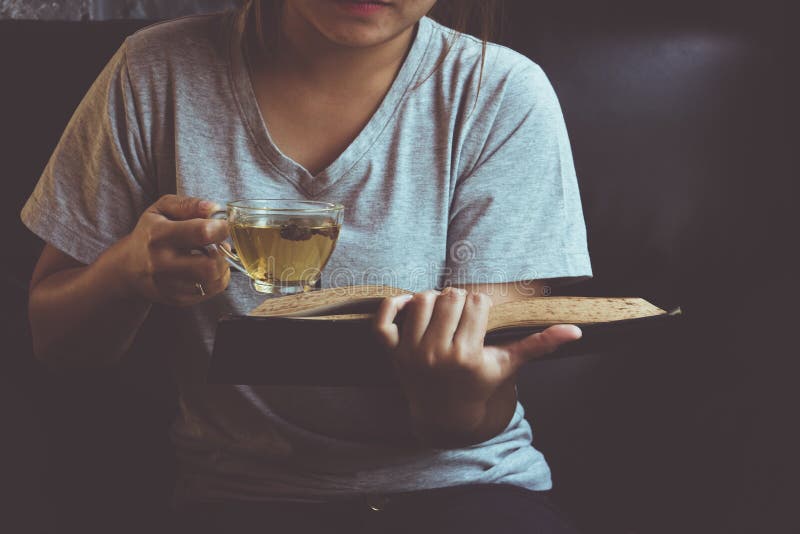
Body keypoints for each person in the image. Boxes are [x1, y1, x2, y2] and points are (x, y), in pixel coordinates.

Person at [22, 0, 593, 532]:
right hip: (240, 497)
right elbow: (57, 345)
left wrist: (455, 399)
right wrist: (123, 275)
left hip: (467, 490)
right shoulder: (153, 71)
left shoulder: (500, 93)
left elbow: (478, 415)